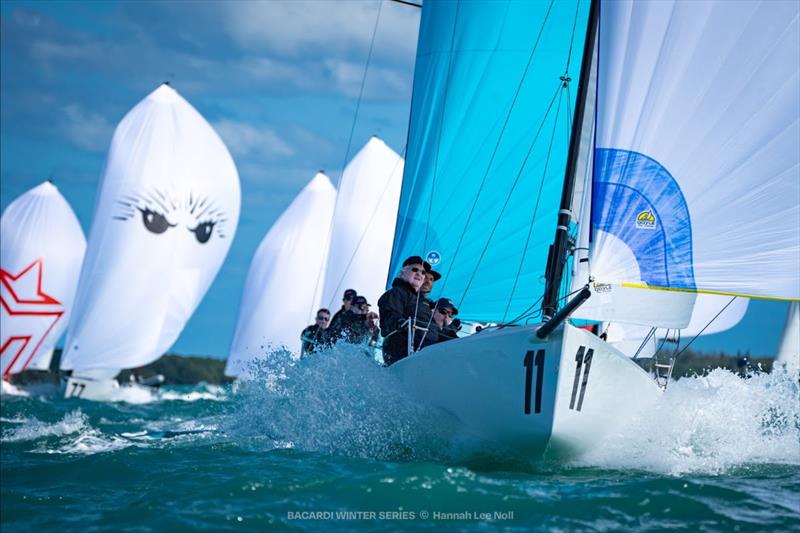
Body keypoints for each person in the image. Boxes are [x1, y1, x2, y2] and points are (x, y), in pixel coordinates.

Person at [377, 256, 435, 365]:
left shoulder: (423, 303)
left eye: (423, 272)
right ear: (402, 273)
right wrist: (400, 323)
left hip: (426, 351)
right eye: (415, 270)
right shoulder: (396, 293)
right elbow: (390, 317)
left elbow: (434, 328)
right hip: (404, 351)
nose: (419, 274)